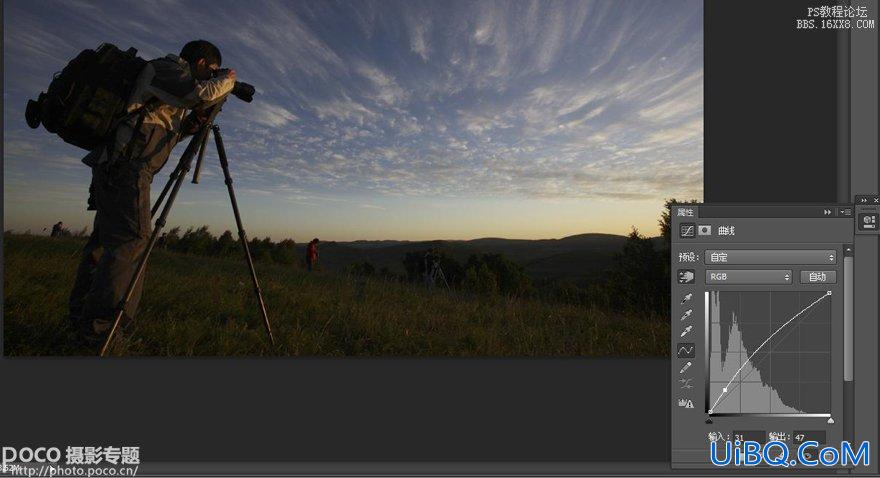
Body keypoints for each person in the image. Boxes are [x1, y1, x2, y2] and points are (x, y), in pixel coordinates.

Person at [68, 40, 237, 345]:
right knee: (131, 242)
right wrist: (227, 79)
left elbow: (164, 134)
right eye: (209, 70)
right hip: (127, 168)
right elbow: (199, 94)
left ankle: (81, 319)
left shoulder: (168, 87)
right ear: (200, 63)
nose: (210, 76)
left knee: (105, 243)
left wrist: (192, 125)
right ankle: (102, 330)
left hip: (120, 166)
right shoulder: (166, 68)